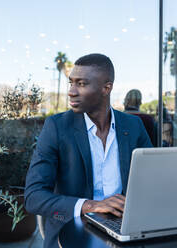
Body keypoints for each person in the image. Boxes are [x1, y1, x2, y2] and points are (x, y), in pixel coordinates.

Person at [24, 54, 152, 248]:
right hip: (72, 234)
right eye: (71, 83)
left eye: (81, 84)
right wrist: (90, 205)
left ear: (105, 88)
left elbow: (150, 182)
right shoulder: (57, 127)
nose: (71, 92)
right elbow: (34, 197)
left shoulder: (133, 126)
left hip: (125, 229)